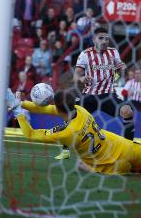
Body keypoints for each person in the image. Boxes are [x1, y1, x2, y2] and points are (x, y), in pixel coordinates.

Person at [6, 88, 141, 178]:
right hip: (124, 147)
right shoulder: (81, 110)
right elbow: (50, 109)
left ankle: (129, 169)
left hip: (113, 166)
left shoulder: (66, 134)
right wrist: (23, 102)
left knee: (83, 165)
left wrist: (19, 111)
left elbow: (31, 135)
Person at [55, 27, 135, 161]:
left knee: (127, 111)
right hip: (89, 95)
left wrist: (123, 70)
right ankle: (65, 150)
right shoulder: (85, 54)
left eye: (107, 38)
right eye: (101, 38)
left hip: (108, 95)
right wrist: (81, 79)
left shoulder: (113, 52)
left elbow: (121, 68)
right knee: (70, 113)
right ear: (94, 39)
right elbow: (76, 76)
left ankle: (129, 151)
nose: (105, 41)